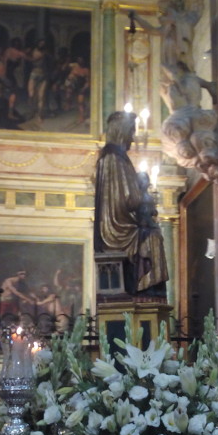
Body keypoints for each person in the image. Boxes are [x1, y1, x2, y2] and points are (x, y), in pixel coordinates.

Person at [94, 110, 168, 296]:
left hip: (120, 224)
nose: (133, 138)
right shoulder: (114, 159)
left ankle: (148, 293)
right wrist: (144, 195)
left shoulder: (111, 157)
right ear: (121, 131)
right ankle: (148, 293)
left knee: (152, 235)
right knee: (154, 238)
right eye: (131, 131)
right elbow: (129, 199)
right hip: (118, 229)